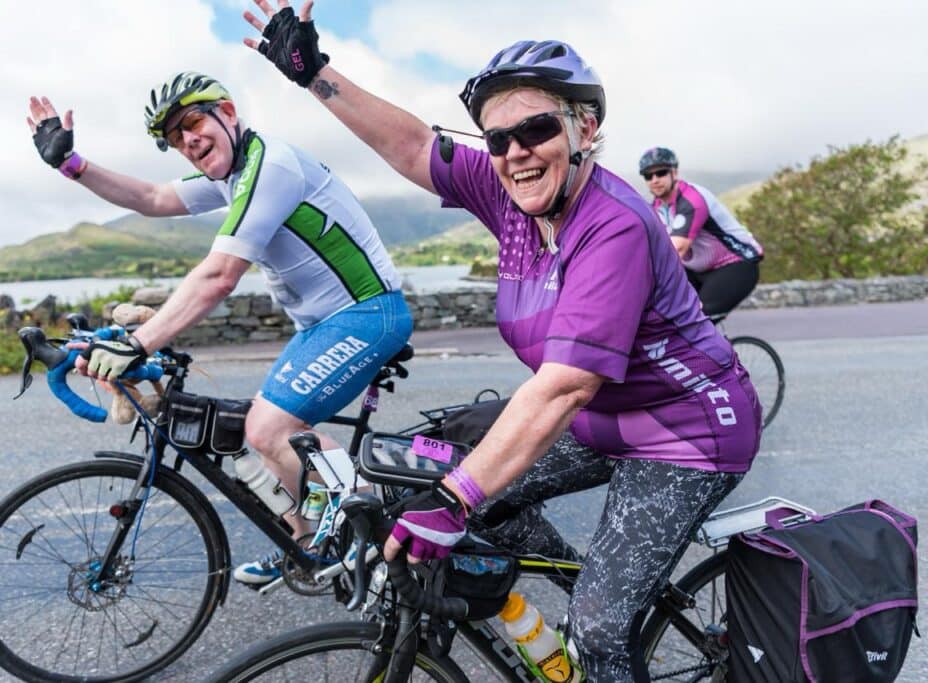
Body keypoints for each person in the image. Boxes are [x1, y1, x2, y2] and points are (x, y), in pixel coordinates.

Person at [243, 3, 761, 680]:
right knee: (452, 488)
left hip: (687, 433)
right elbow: (410, 145)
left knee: (600, 629)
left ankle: (607, 609)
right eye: (498, 138)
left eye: (537, 128)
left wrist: (459, 494)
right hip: (602, 416)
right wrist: (315, 74)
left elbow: (564, 384)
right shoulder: (507, 190)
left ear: (585, 128)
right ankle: (599, 574)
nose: (515, 150)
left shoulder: (615, 228)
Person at [25, 71, 412, 587]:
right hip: (324, 326)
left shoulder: (269, 166)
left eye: (193, 122)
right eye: (175, 138)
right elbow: (153, 197)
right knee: (266, 429)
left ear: (227, 113)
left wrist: (139, 342)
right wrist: (72, 165)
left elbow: (218, 275)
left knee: (267, 428)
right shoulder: (232, 175)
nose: (187, 141)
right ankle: (306, 545)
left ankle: (380, 542)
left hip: (367, 315)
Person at [639, 147, 764, 318]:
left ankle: (714, 345)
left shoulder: (692, 199)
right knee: (662, 315)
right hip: (698, 270)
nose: (655, 180)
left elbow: (677, 249)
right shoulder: (657, 208)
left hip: (735, 265)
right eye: (648, 175)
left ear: (674, 173)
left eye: (661, 173)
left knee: (697, 319)